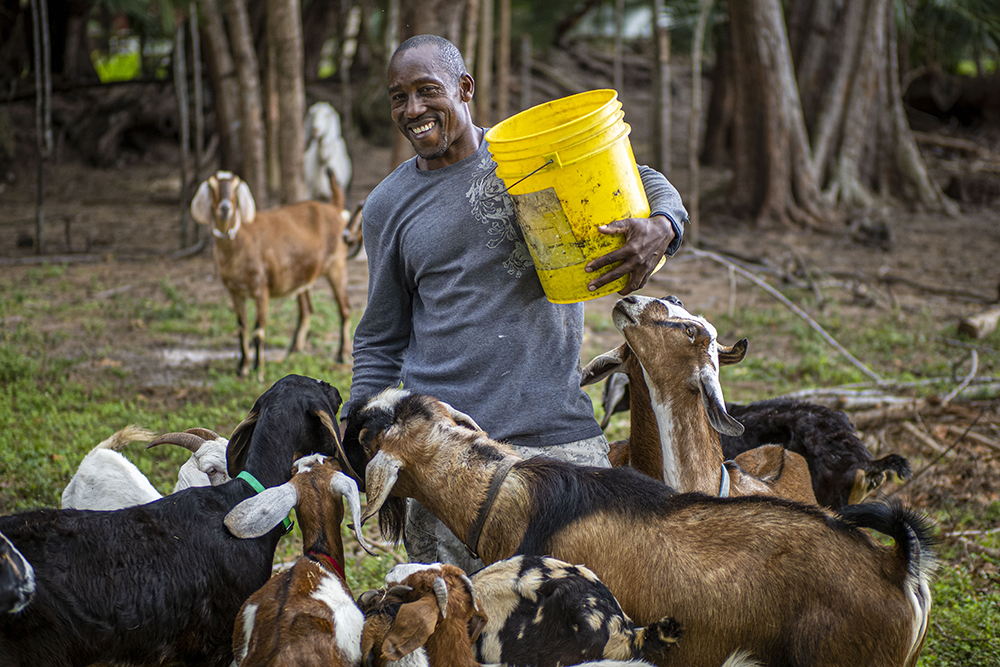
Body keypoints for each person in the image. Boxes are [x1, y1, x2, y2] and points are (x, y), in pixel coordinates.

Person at [340, 34, 688, 572]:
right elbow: (380, 335)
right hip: (447, 454)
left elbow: (643, 179)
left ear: (465, 88)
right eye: (398, 97)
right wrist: (363, 429)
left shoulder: (524, 160)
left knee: (589, 617)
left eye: (427, 91)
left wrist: (661, 226)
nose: (412, 110)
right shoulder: (388, 205)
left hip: (557, 436)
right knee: (464, 627)